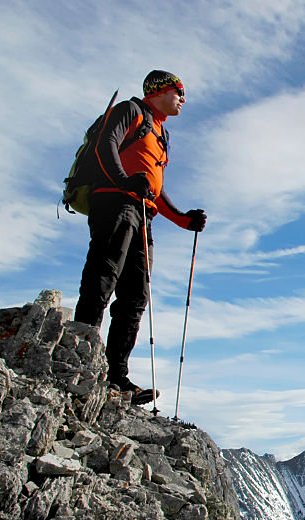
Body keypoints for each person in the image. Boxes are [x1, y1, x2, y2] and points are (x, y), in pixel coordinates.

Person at [75, 69, 206, 396]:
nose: (183, 99)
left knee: (135, 295)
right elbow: (106, 144)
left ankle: (116, 376)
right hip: (114, 201)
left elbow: (152, 187)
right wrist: (122, 181)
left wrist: (183, 220)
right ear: (160, 89)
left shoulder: (160, 133)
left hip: (140, 211)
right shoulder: (131, 112)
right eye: (179, 91)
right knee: (104, 274)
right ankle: (79, 356)